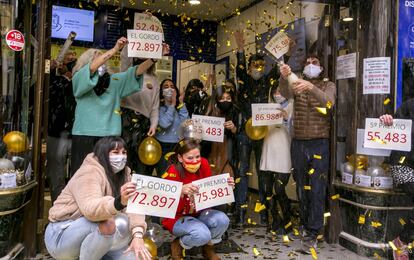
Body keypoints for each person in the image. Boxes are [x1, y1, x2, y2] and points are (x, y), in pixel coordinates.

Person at [44, 136, 151, 260]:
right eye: (115, 152)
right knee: (108, 222)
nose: (121, 157)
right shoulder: (88, 172)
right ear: (103, 154)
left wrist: (138, 235)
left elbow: (135, 206)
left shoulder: (125, 174)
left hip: (101, 237)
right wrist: (119, 202)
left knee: (135, 256)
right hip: (62, 234)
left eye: (124, 153)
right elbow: (90, 209)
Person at [70, 37, 157, 175]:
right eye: (98, 58)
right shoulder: (79, 78)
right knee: (82, 176)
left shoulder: (114, 81)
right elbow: (91, 69)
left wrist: (153, 58)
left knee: (110, 177)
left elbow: (135, 73)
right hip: (84, 136)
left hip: (109, 137)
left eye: (104, 58)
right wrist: (115, 49)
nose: (103, 61)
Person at [279, 54, 336, 252]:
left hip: (319, 143)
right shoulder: (296, 84)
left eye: (315, 63)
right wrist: (284, 76)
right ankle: (304, 225)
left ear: (321, 67)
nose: (311, 65)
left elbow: (329, 104)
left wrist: (311, 87)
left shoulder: (329, 85)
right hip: (299, 143)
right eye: (308, 63)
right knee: (302, 187)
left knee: (318, 187)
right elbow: (284, 93)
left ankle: (313, 231)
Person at [233, 30, 283, 226]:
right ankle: (241, 213)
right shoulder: (243, 83)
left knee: (263, 172)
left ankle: (264, 213)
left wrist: (283, 52)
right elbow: (239, 68)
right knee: (243, 171)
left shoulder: (266, 82)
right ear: (249, 67)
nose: (258, 68)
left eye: (261, 65)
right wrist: (240, 49)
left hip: (263, 132)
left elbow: (278, 70)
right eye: (255, 65)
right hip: (245, 133)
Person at [162, 139, 234, 260]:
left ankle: (208, 248)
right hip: (177, 217)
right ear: (180, 158)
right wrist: (179, 190)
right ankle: (178, 245)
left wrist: (226, 186)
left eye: (197, 157)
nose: (195, 161)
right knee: (202, 234)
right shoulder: (172, 171)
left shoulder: (204, 164)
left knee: (223, 220)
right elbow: (165, 203)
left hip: (200, 212)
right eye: (190, 158)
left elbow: (209, 191)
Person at [120, 43, 168, 175]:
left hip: (144, 123)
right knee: (125, 158)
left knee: (142, 161)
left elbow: (155, 107)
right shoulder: (128, 73)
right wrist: (130, 43)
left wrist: (153, 124)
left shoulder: (154, 79)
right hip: (126, 120)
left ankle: (140, 191)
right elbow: (125, 58)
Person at [380, 100, 414, 260]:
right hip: (403, 164)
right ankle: (402, 241)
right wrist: (386, 119)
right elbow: (392, 123)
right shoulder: (410, 105)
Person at [259, 86, 294, 234]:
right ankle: (275, 220)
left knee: (279, 189)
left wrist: (287, 120)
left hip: (284, 151)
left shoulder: (293, 105)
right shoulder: (266, 108)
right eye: (274, 92)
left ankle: (287, 221)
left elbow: (298, 130)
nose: (277, 94)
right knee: (267, 190)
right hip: (268, 150)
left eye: (280, 91)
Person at [46, 52, 77, 202]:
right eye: (67, 61)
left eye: (73, 61)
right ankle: (57, 205)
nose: (70, 64)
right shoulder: (54, 82)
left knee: (77, 172)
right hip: (56, 132)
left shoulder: (81, 82)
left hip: (77, 132)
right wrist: (50, 70)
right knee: (56, 172)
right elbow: (40, 90)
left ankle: (74, 205)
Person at [155, 79, 189, 175]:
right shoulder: (157, 108)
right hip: (162, 147)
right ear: (161, 91)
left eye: (172, 86)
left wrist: (181, 103)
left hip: (178, 147)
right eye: (166, 87)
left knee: (178, 177)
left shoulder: (180, 107)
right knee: (165, 176)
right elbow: (164, 123)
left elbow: (186, 124)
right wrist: (172, 105)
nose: (169, 89)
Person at [205, 84, 239, 177]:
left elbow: (240, 135)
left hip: (228, 151)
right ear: (216, 99)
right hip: (211, 151)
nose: (225, 101)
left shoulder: (236, 112)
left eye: (228, 98)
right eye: (222, 98)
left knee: (227, 175)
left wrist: (233, 128)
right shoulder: (209, 112)